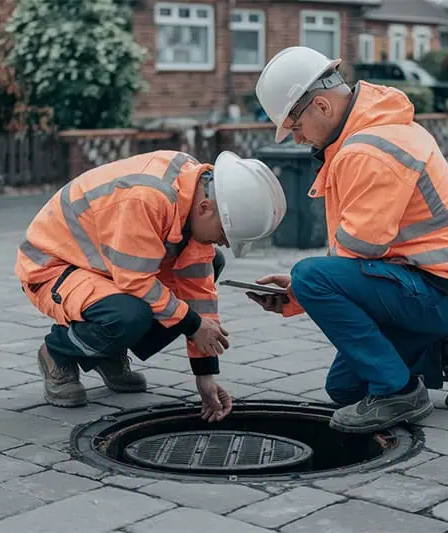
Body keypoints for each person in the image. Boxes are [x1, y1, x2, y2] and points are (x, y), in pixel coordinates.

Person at [249, 46, 448, 434]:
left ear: (323, 107)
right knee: (344, 388)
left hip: (442, 291)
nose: (297, 139)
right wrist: (301, 294)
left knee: (311, 276)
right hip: (438, 284)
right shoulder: (372, 129)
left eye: (294, 127)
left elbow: (357, 251)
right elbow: (358, 258)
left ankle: (399, 393)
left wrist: (303, 290)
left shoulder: (370, 149)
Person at [14, 150, 286, 422]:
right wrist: (192, 325)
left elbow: (198, 293)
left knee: (210, 264)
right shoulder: (147, 198)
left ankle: (107, 354)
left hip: (110, 268)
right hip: (55, 266)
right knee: (128, 314)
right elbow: (135, 281)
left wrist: (205, 375)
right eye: (225, 234)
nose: (224, 242)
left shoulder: (195, 191)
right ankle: (57, 354)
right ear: (205, 209)